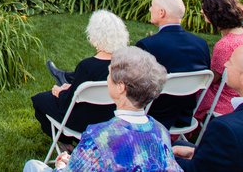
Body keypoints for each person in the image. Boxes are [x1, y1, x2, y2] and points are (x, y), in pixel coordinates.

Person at [39, 46, 182, 171]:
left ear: (121, 87)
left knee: (33, 165)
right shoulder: (161, 131)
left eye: (109, 74)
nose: (107, 78)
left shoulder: (99, 135)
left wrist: (62, 166)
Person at [31, 10, 129, 137]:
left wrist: (60, 92)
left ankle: (65, 143)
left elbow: (67, 103)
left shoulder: (87, 66)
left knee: (40, 99)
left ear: (94, 36)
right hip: (114, 118)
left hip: (86, 122)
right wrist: (72, 88)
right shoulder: (127, 64)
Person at [135, 0, 211, 130]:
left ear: (161, 13)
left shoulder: (147, 45)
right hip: (185, 116)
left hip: (151, 116)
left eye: (152, 6)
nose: (150, 10)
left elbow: (136, 85)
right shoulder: (201, 44)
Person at [194, 0, 243, 120]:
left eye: (204, 9)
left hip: (226, 97)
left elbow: (212, 79)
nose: (201, 11)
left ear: (215, 14)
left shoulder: (225, 45)